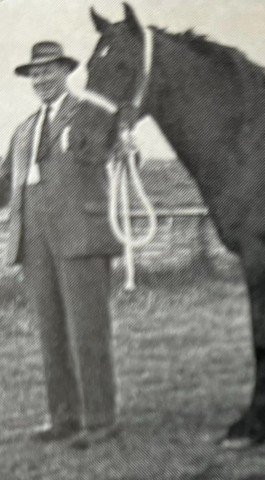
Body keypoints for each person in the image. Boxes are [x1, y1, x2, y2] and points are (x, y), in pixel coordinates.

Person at [0, 41, 121, 448]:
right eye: (34, 73)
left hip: (80, 233)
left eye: (48, 70)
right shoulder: (23, 130)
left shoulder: (91, 112)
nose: (40, 79)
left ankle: (100, 421)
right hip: (32, 237)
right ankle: (63, 419)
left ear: (65, 71)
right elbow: (3, 186)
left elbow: (108, 148)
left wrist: (115, 140)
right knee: (50, 331)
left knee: (87, 330)